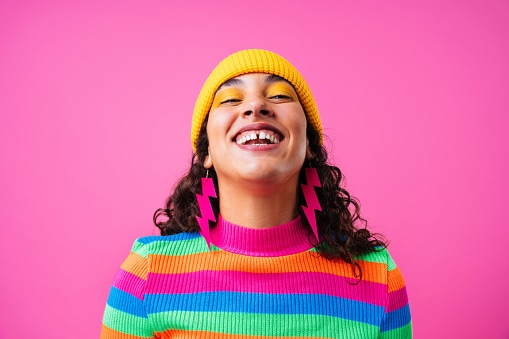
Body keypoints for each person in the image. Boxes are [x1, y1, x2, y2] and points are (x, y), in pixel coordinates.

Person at [100, 49, 412, 338]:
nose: (256, 106)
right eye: (231, 99)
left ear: (310, 148)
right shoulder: (146, 274)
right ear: (206, 152)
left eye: (279, 95)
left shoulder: (377, 275)